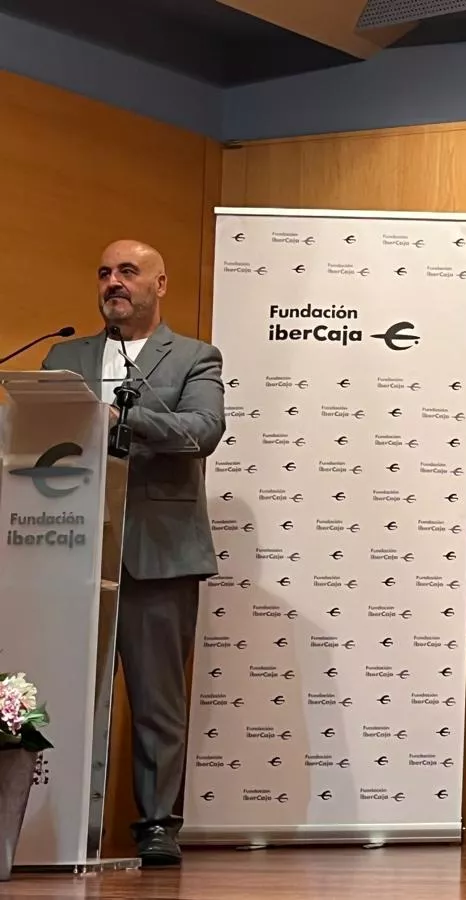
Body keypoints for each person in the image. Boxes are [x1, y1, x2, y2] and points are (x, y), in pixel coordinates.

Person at [43, 240, 226, 867]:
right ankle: (61, 815)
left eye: (128, 272)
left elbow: (201, 433)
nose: (113, 282)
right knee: (65, 692)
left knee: (157, 699)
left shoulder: (195, 357)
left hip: (160, 550)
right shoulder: (65, 356)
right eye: (104, 272)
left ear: (160, 284)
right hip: (69, 546)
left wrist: (128, 416)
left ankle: (155, 824)